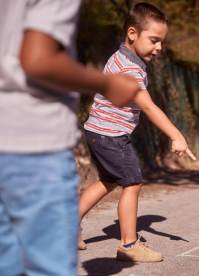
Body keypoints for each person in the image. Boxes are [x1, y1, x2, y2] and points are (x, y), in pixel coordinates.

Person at [0, 1, 140, 275]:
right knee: (47, 266)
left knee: (9, 263)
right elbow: (38, 58)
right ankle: (130, 243)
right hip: (33, 142)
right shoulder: (126, 64)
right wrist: (106, 84)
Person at [78, 3, 195, 263]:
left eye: (161, 42)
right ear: (132, 33)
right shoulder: (130, 69)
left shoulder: (122, 58)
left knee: (108, 181)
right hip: (111, 135)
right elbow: (148, 107)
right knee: (133, 183)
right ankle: (129, 245)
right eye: (154, 40)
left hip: (97, 131)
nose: (159, 47)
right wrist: (176, 135)